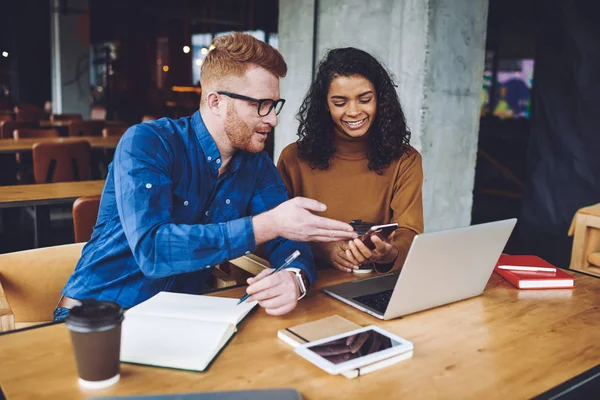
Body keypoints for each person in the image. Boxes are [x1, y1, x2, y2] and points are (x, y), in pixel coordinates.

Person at [55, 33, 357, 320]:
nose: (273, 119)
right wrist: (268, 224)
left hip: (183, 321)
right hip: (97, 319)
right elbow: (153, 250)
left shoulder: (256, 165)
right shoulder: (147, 142)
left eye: (274, 105)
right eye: (260, 105)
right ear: (216, 102)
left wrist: (293, 278)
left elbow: (288, 240)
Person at [277, 48, 424, 274]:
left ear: (380, 99)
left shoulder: (405, 160)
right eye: (340, 102)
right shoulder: (294, 159)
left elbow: (409, 231)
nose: (354, 111)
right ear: (325, 105)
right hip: (309, 282)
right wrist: (323, 247)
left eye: (365, 99)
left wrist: (387, 253)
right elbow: (277, 229)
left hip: (373, 284)